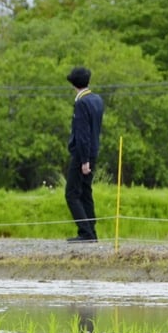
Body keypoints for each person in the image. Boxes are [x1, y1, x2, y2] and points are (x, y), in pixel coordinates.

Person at [65, 66, 105, 243]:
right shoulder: (96, 99)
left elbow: (82, 135)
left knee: (72, 193)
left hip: (83, 155)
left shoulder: (81, 103)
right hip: (93, 151)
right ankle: (91, 231)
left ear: (73, 83)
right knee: (86, 192)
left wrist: (84, 161)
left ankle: (85, 232)